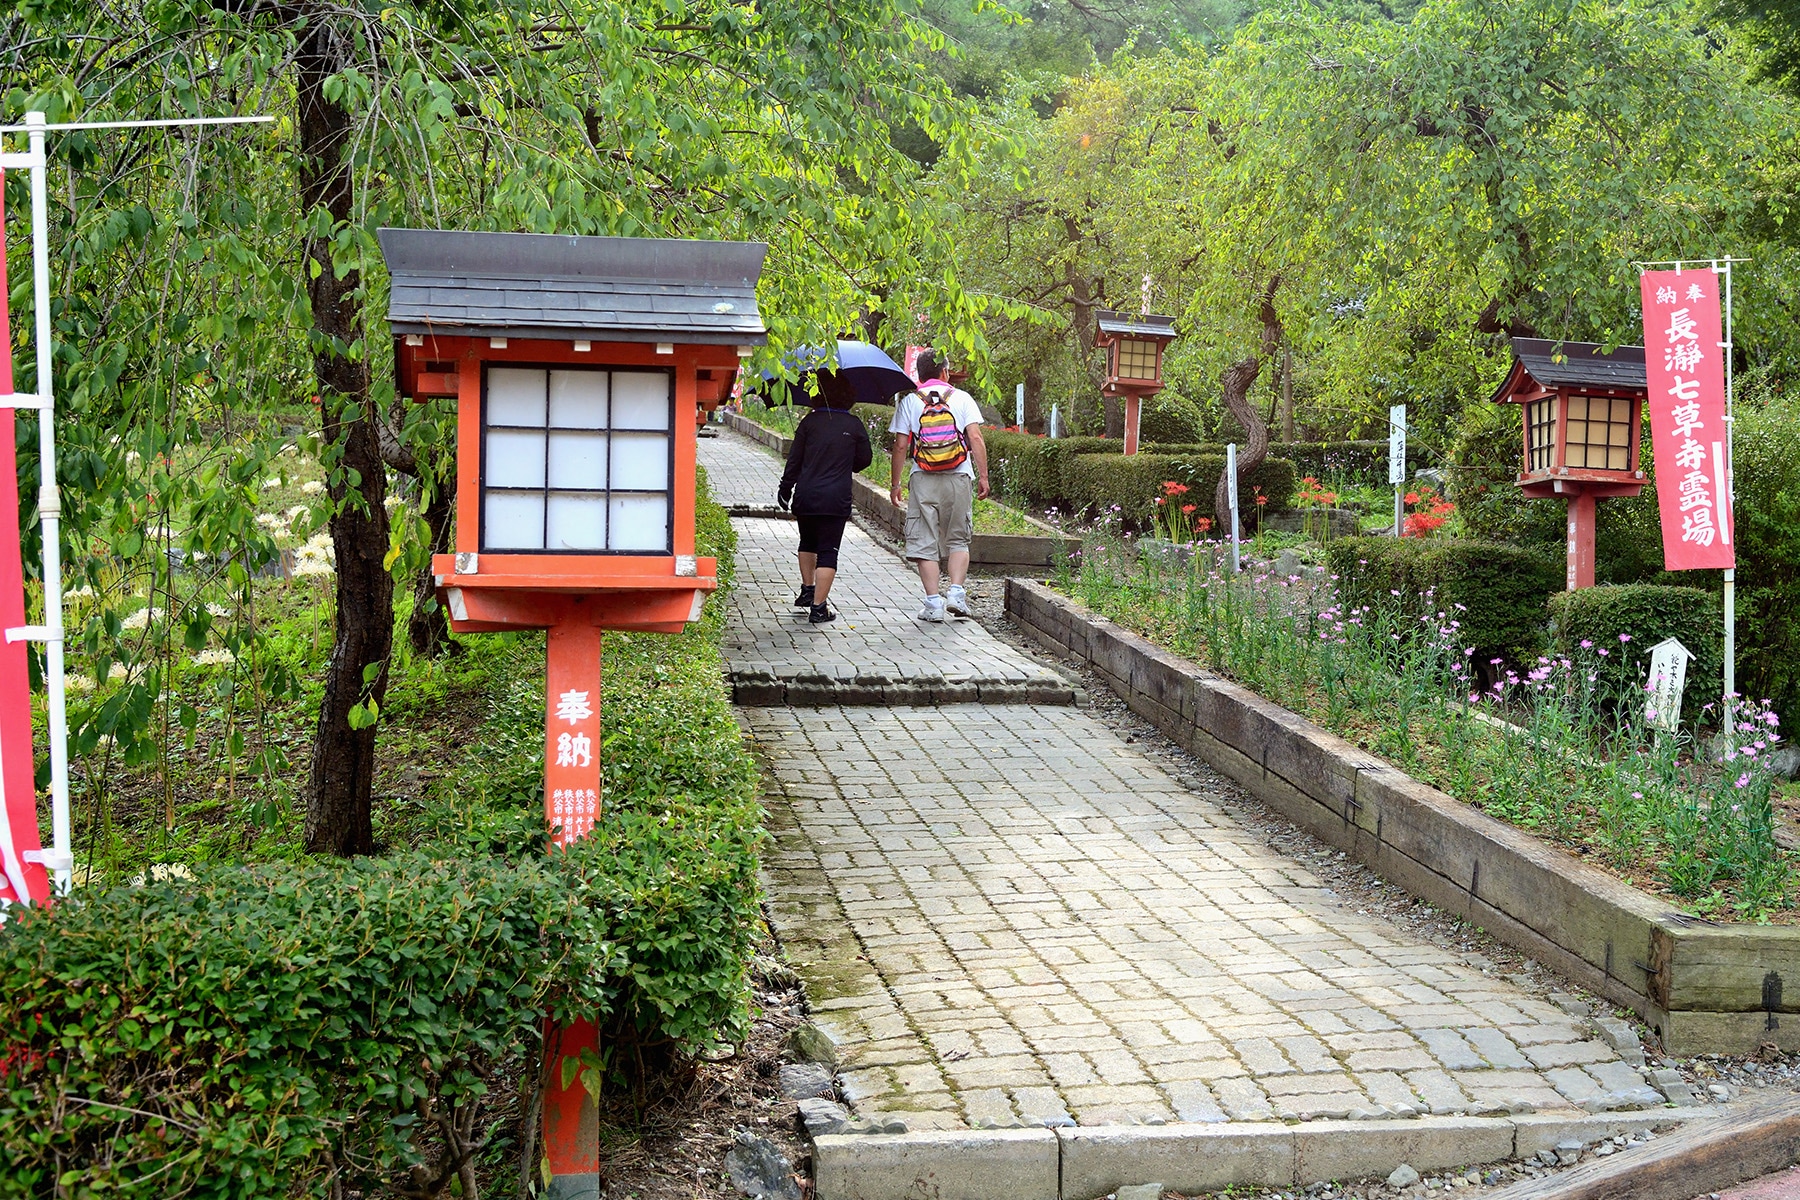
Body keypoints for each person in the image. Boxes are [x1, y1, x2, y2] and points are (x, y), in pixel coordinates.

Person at [888, 350, 989, 622]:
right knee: (957, 537)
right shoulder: (962, 398)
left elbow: (900, 445)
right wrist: (983, 476)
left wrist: (896, 483)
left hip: (923, 478)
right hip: (958, 475)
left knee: (924, 540)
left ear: (919, 374)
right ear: (945, 372)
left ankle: (933, 603)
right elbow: (976, 438)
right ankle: (956, 594)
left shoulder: (910, 401)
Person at [777, 372, 872, 624]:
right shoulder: (854, 426)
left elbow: (794, 459)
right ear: (848, 395)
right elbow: (865, 460)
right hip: (835, 498)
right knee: (828, 551)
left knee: (807, 542)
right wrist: (844, 460)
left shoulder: (809, 423)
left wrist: (785, 488)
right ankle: (819, 608)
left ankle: (808, 589)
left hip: (806, 495)